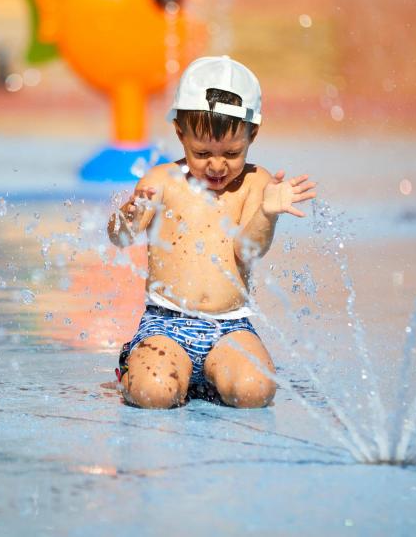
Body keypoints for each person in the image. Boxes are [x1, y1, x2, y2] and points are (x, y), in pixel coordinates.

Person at [107, 55, 316, 409]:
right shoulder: (162, 181)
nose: (217, 165)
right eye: (201, 152)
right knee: (153, 394)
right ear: (180, 133)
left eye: (231, 153)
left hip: (229, 329)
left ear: (253, 134)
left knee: (256, 392)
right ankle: (135, 365)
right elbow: (120, 238)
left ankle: (204, 376)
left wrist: (268, 212)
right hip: (166, 326)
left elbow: (248, 250)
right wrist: (127, 216)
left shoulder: (255, 185)